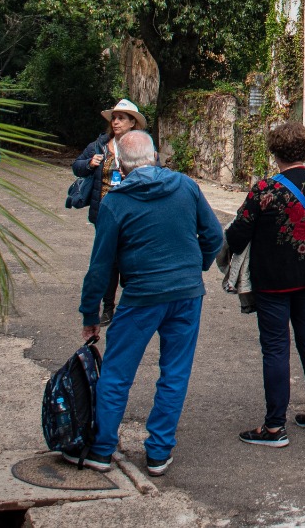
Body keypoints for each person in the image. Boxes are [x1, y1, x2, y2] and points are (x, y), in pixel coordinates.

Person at [78, 130, 222, 477]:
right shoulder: (186, 187)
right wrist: (196, 265)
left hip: (141, 296)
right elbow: (215, 235)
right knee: (174, 372)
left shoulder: (116, 201)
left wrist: (90, 313)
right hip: (186, 294)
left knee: (116, 372)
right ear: (155, 157)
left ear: (121, 167)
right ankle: (158, 452)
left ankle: (101, 449)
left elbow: (100, 266)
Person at [223, 122, 305, 447]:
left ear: (275, 152)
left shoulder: (264, 190)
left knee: (276, 348)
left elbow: (236, 237)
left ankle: (275, 426)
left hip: (272, 282)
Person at [72, 99, 149, 326]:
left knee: (129, 257)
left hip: (132, 212)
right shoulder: (100, 145)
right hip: (104, 211)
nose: (116, 122)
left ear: (132, 123)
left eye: (121, 118)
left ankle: (131, 302)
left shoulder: (140, 146)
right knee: (108, 259)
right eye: (114, 118)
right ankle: (108, 308)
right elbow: (76, 166)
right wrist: (90, 163)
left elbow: (155, 168)